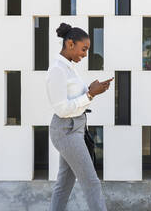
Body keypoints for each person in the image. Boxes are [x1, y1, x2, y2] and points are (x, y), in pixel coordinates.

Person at [46, 22, 113, 211]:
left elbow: (77, 98)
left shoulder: (69, 67)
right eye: (84, 49)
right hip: (65, 130)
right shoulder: (57, 70)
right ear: (70, 44)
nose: (85, 54)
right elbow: (62, 109)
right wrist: (90, 94)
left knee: (64, 184)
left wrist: (92, 89)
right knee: (91, 182)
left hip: (76, 128)